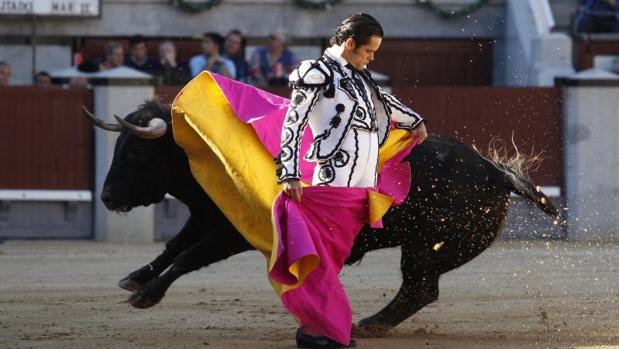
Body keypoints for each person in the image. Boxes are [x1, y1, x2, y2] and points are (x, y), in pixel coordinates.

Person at [277, 13, 428, 348]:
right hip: (335, 173)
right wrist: (289, 171)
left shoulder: (358, 74)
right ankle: (315, 328)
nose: (371, 57)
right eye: (368, 51)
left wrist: (414, 120)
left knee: (338, 251)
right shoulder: (314, 72)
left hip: (362, 177)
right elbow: (294, 122)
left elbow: (382, 104)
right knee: (325, 253)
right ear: (349, 44)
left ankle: (319, 324)